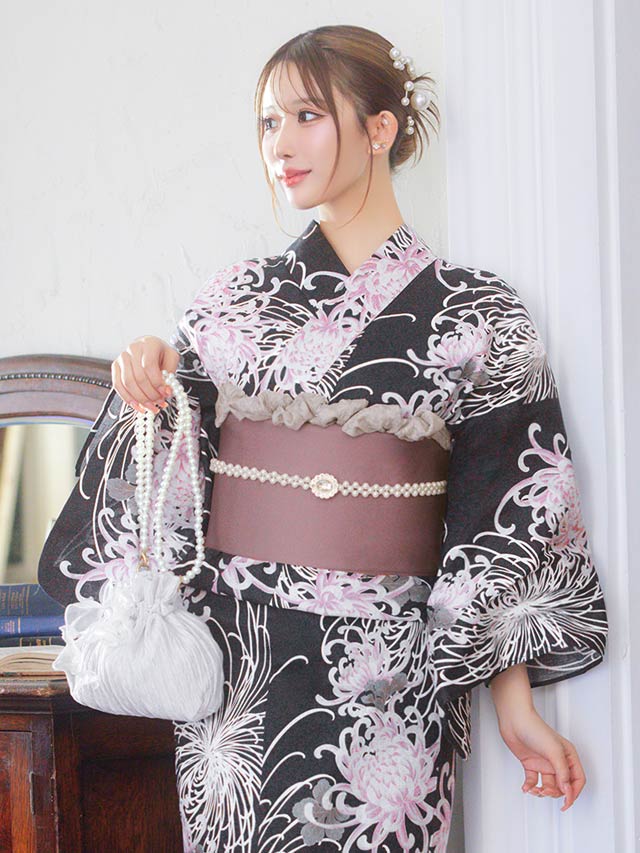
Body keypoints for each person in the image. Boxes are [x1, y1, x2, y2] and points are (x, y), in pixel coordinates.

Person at [38, 24, 609, 853]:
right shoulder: (231, 304)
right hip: (241, 665)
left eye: (307, 116)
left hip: (390, 675)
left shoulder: (478, 312)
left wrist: (514, 705)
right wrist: (152, 384)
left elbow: (504, 512)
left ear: (380, 128)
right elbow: (169, 470)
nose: (281, 144)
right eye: (268, 122)